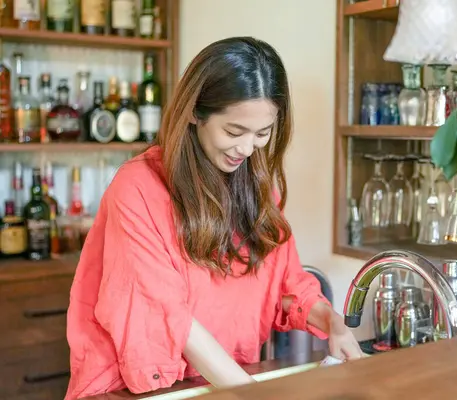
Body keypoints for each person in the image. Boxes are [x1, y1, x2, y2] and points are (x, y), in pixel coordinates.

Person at [65, 37, 364, 399]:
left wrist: (331, 322)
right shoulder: (138, 188)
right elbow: (169, 315)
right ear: (195, 112)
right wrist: (251, 392)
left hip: (220, 380)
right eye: (234, 132)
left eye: (262, 134)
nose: (247, 148)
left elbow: (286, 284)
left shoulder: (254, 185)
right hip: (136, 388)